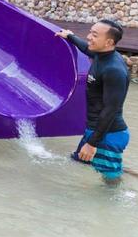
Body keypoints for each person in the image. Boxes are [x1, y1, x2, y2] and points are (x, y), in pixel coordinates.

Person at [55, 20, 130, 183]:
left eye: (94, 35)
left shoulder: (114, 70)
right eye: (90, 32)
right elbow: (86, 48)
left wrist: (92, 144)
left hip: (108, 135)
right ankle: (119, 167)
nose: (89, 37)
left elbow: (110, 110)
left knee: (111, 182)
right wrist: (70, 36)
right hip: (96, 130)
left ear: (109, 42)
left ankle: (111, 205)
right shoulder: (102, 54)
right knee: (78, 161)